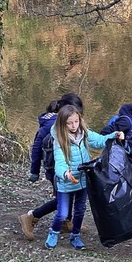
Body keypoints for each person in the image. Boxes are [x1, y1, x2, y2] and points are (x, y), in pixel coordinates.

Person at [45, 104, 124, 250]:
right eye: (69, 123)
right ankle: (54, 233)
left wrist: (114, 135)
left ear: (79, 120)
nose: (73, 125)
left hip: (82, 180)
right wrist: (65, 173)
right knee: (62, 213)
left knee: (80, 210)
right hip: (66, 182)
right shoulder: (60, 140)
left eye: (76, 121)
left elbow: (100, 141)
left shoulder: (84, 133)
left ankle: (75, 236)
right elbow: (59, 162)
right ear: (63, 123)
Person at [18, 93, 85, 240]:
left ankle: (66, 222)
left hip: (67, 168)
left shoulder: (61, 121)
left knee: (70, 193)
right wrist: (34, 172)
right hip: (57, 170)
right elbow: (36, 148)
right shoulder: (52, 125)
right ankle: (31, 216)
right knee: (63, 198)